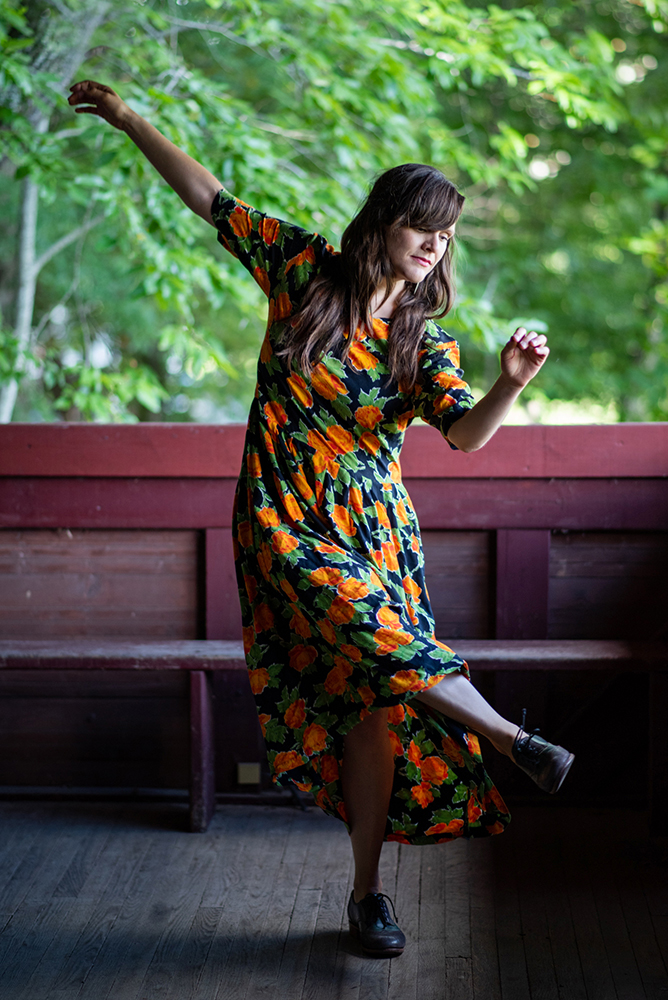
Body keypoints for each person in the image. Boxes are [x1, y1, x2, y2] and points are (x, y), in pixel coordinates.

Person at [69, 80, 574, 959]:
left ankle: (367, 897)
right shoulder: (300, 270)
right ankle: (510, 735)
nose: (435, 245)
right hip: (280, 519)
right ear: (383, 220)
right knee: (381, 652)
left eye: (446, 234)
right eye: (425, 225)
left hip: (378, 534)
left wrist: (510, 387)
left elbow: (462, 437)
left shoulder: (425, 339)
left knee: (374, 710)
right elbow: (208, 199)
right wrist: (128, 120)